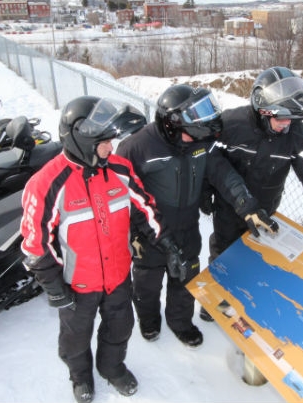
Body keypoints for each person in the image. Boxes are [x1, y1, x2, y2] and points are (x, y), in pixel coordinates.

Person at [19, 96, 185, 403]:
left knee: (119, 327)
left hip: (119, 276)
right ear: (81, 138)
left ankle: (112, 367)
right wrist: (54, 287)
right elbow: (34, 243)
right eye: (105, 142)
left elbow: (145, 209)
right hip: (76, 284)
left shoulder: (120, 169)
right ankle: (80, 376)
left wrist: (168, 245)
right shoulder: (47, 183)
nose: (112, 148)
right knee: (75, 338)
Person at [115, 84, 278, 347]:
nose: (198, 140)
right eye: (193, 134)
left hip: (187, 229)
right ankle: (148, 320)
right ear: (172, 126)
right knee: (147, 284)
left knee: (185, 280)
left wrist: (248, 206)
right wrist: (133, 234)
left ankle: (180, 322)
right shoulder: (136, 148)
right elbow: (124, 198)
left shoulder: (202, 143)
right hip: (149, 233)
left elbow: (225, 175)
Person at [204, 66, 303, 321]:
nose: (286, 124)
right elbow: (209, 161)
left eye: (291, 119)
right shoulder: (231, 125)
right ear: (263, 111)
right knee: (224, 254)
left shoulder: (298, 137)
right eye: (280, 118)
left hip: (266, 209)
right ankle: (215, 305)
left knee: (254, 259)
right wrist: (211, 195)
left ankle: (245, 301)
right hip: (230, 207)